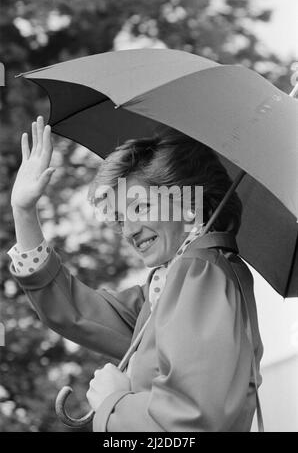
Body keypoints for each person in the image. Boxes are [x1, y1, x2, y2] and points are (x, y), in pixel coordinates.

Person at [8, 115, 263, 432]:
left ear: (189, 205)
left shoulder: (199, 273)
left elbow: (194, 421)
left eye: (140, 207)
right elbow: (76, 312)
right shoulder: (167, 285)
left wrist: (114, 402)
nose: (128, 231)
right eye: (119, 218)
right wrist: (24, 212)